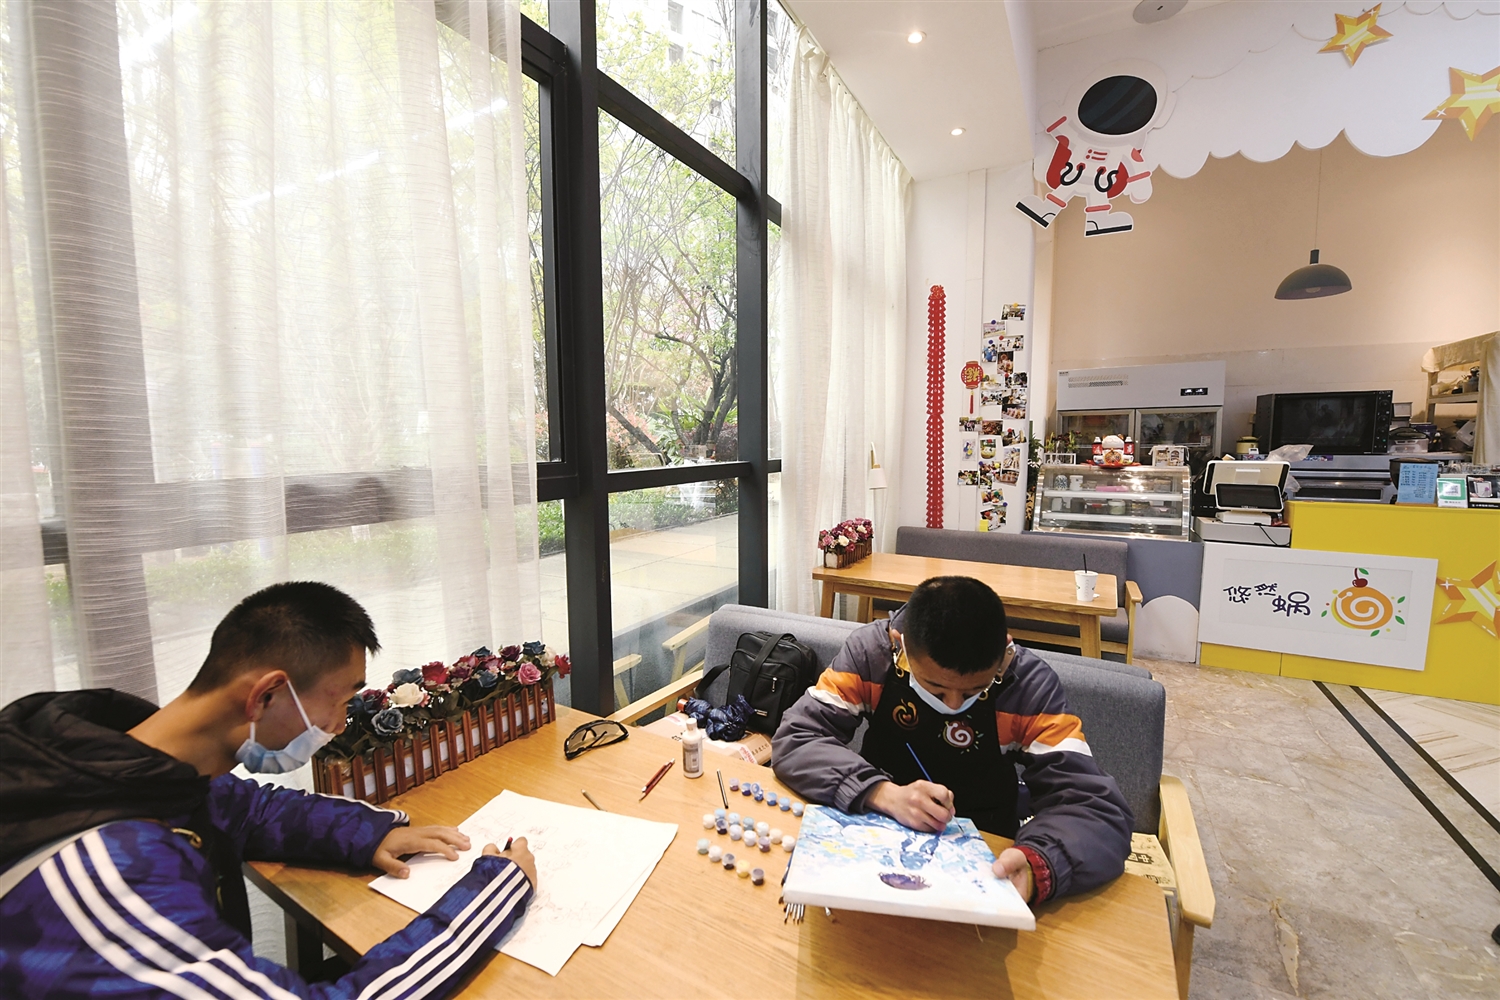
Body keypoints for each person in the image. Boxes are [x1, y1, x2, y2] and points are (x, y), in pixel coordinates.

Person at [0, 581, 535, 999]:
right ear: (266, 696)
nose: (340, 724)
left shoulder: (118, 764)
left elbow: (245, 808)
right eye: (340, 701)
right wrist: (492, 897)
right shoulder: (110, 877)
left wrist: (369, 833)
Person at [772, 576, 1132, 906]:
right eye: (936, 689)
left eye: (976, 690)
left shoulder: (1029, 687)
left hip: (986, 853)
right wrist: (882, 793)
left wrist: (1039, 864)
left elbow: (1096, 808)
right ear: (900, 645)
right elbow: (798, 737)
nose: (954, 705)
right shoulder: (871, 655)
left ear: (1005, 652)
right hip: (878, 829)